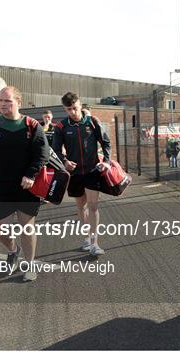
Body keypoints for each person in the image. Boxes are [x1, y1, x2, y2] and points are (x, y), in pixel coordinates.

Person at [0, 86, 49, 281]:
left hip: (26, 187)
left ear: (18, 102)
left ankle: (29, 264)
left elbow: (42, 154)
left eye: (8, 101)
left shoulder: (32, 125)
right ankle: (13, 249)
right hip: (0, 187)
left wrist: (31, 174)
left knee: (27, 227)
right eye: (1, 101)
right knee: (1, 230)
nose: (3, 104)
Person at [52, 92, 111, 256]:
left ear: (80, 105)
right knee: (81, 207)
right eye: (68, 109)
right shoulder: (62, 127)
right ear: (65, 109)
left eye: (75, 108)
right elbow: (55, 149)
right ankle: (86, 237)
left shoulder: (92, 122)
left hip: (92, 170)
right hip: (75, 174)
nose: (72, 112)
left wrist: (106, 161)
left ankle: (94, 243)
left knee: (93, 206)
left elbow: (105, 142)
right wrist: (64, 162)